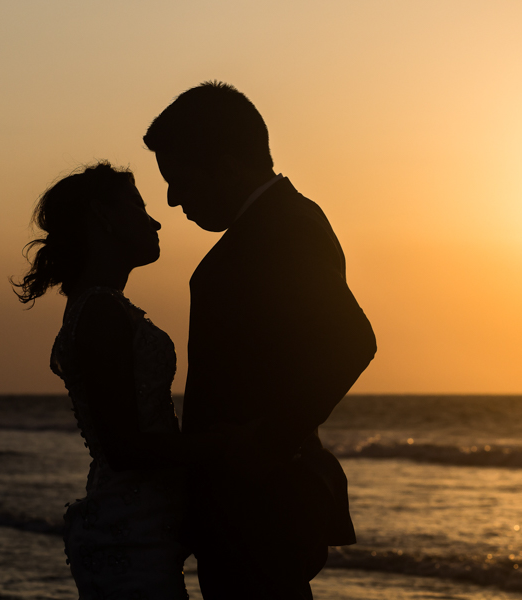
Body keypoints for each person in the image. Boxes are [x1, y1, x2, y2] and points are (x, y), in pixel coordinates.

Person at [144, 82, 377, 599]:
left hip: (261, 502)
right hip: (242, 502)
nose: (172, 199)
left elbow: (352, 340)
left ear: (225, 164)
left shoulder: (286, 226)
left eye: (179, 179)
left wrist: (266, 442)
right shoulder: (268, 226)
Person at [13, 162, 203, 599]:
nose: (154, 220)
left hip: (141, 523)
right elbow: (124, 445)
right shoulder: (100, 312)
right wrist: (224, 444)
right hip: (130, 532)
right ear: (103, 217)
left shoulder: (99, 306)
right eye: (137, 206)